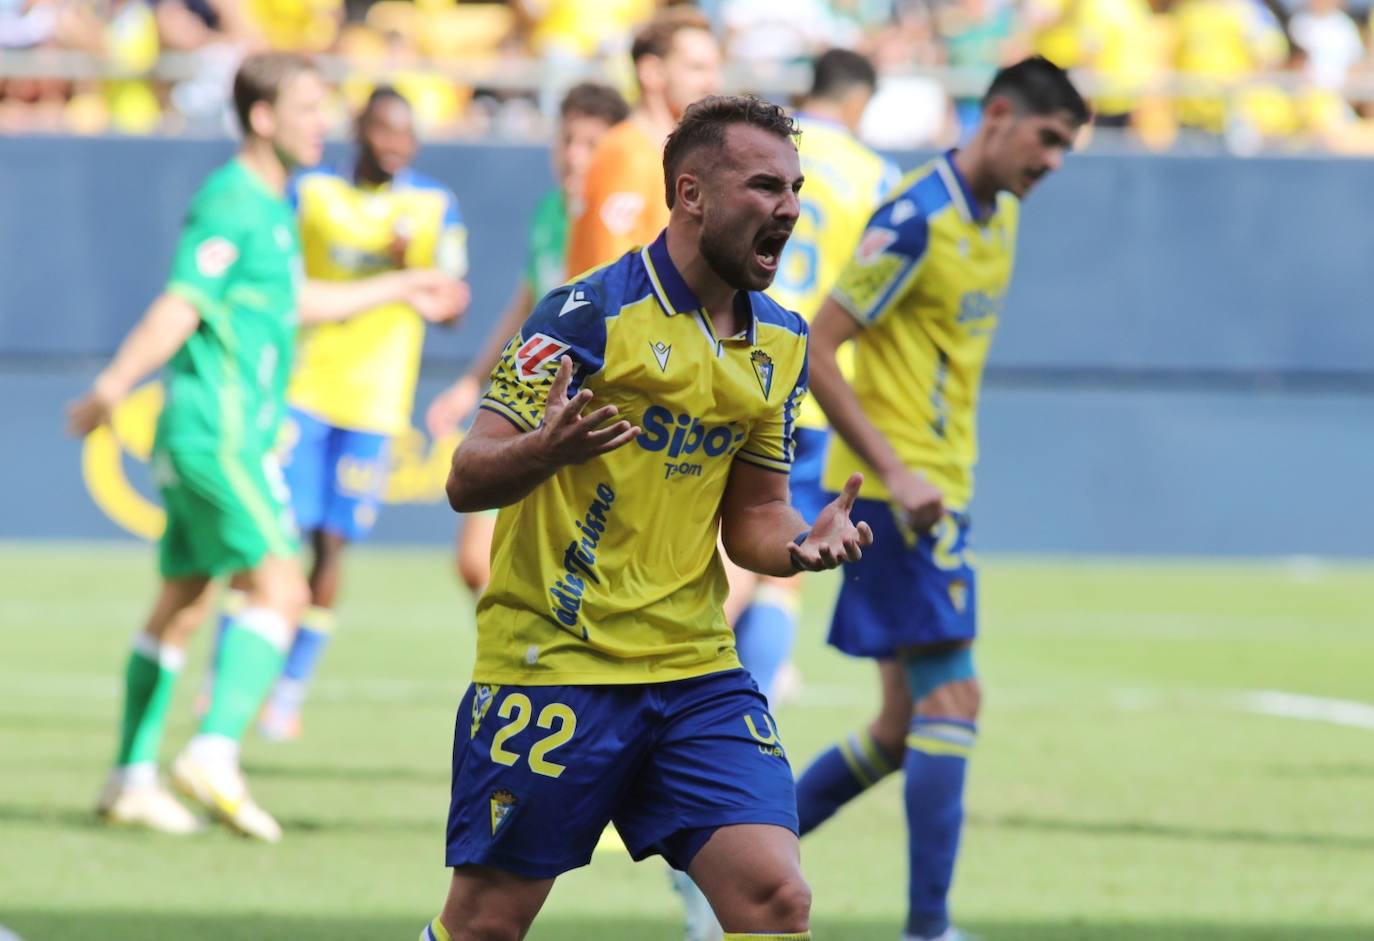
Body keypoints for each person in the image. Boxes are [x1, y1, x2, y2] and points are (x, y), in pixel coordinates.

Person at [420, 94, 873, 941]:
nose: (788, 208)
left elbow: (756, 518)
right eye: (764, 185)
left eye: (795, 188)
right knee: (485, 922)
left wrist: (801, 545)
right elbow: (466, 476)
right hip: (555, 667)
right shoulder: (581, 317)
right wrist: (541, 451)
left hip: (694, 670)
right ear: (692, 193)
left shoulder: (781, 344)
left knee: (777, 898)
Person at [66, 51, 465, 842]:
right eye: (309, 108)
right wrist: (113, 385)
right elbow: (183, 301)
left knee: (182, 601)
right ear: (261, 117)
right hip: (223, 429)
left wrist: (398, 287)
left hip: (213, 427)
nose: (325, 123)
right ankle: (214, 751)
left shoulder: (275, 205)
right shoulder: (234, 200)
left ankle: (130, 776)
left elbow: (295, 301)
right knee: (284, 587)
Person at [792, 57, 1088, 941]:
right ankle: (929, 928)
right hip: (897, 493)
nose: (1056, 162)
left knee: (897, 727)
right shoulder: (916, 218)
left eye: (1068, 147)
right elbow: (817, 344)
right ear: (996, 115)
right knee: (954, 702)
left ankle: (726, 856)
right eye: (1048, 139)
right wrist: (899, 469)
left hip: (939, 487)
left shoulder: (998, 216)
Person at [247, 85, 471, 742]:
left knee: (332, 545)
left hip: (376, 401)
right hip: (303, 387)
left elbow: (454, 302)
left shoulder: (432, 205)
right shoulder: (311, 191)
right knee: (275, 535)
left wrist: (417, 270)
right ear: (360, 130)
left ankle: (288, 687)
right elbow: (277, 270)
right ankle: (244, 661)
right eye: (385, 132)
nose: (396, 145)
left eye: (407, 136)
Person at [735, 46, 900, 705]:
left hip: (737, 363)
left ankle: (733, 706)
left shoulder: (767, 150)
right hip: (814, 391)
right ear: (860, 100)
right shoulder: (876, 175)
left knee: (740, 538)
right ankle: (663, 695)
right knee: (781, 559)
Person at [425, 81, 630, 597]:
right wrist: (471, 382)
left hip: (583, 410)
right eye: (567, 140)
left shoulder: (621, 221)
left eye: (592, 144)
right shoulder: (550, 212)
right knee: (477, 561)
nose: (575, 156)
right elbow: (527, 305)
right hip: (527, 398)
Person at [562, 5, 721, 278]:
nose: (714, 82)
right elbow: (613, 280)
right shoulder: (628, 153)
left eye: (715, 68)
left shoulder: (667, 154)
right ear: (652, 72)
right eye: (697, 68)